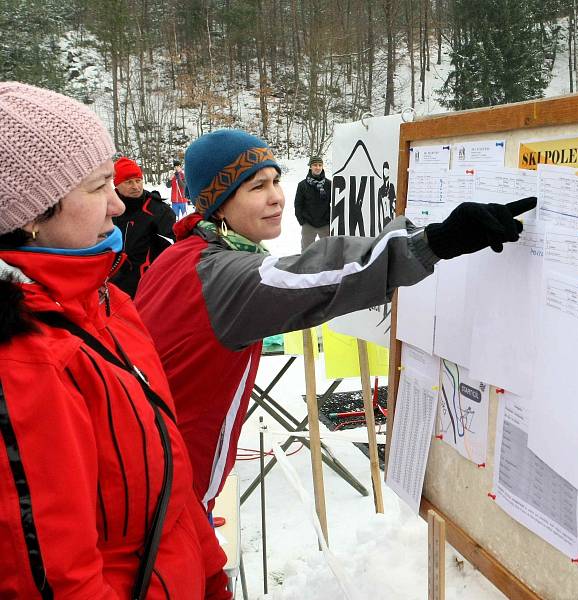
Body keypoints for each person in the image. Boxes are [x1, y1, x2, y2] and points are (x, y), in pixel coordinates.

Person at [134, 128, 536, 510]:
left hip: (156, 472)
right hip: (168, 494)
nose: (276, 197)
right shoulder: (219, 275)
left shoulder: (182, 255)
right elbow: (321, 273)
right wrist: (438, 240)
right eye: (257, 187)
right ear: (217, 204)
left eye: (276, 181)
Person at [0, 82, 230, 599]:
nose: (117, 206)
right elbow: (55, 578)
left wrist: (211, 574)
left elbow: (166, 475)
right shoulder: (24, 361)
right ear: (32, 214)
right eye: (98, 186)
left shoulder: (108, 304)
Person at [111, 156, 176, 297]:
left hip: (148, 287)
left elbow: (178, 243)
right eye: (128, 182)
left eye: (138, 180)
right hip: (113, 285)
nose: (135, 186)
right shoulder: (107, 208)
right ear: (117, 185)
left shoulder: (158, 210)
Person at [294, 155, 331, 250]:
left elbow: (334, 203)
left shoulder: (329, 184)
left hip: (325, 224)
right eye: (315, 165)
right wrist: (302, 221)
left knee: (328, 250)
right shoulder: (302, 185)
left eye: (320, 165)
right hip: (308, 224)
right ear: (310, 166)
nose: (318, 167)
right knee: (306, 252)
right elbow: (298, 204)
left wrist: (330, 219)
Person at [377, 160, 396, 229]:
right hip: (384, 217)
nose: (385, 174)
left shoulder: (391, 187)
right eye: (384, 171)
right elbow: (379, 208)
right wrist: (379, 222)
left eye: (387, 171)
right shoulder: (380, 189)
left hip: (391, 217)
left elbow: (394, 201)